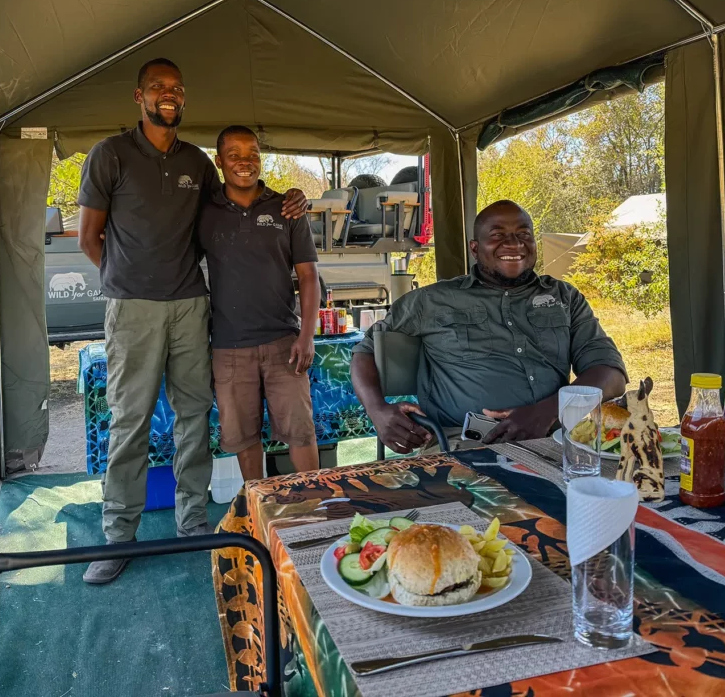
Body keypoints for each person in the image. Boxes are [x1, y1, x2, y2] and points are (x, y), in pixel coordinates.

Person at [77, 59, 307, 584]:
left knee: (192, 416)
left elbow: (236, 204)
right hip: (133, 307)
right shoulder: (109, 155)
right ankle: (118, 536)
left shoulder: (198, 164)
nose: (168, 95)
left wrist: (291, 198)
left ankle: (193, 525)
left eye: (176, 88)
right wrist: (128, 281)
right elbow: (89, 238)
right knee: (129, 422)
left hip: (190, 306)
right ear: (139, 96)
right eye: (158, 87)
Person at [350, 199, 627, 453]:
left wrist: (548, 411)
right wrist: (377, 410)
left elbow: (610, 375)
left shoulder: (564, 297)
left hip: (556, 440)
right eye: (498, 236)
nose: (514, 244)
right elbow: (365, 351)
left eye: (523, 234)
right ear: (475, 249)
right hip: (465, 444)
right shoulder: (432, 301)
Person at [199, 126, 321, 480]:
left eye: (252, 153)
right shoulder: (204, 212)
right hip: (229, 346)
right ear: (219, 161)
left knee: (300, 430)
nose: (245, 162)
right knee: (243, 438)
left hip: (285, 342)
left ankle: (314, 507)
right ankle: (258, 506)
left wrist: (306, 335)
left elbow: (309, 276)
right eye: (234, 154)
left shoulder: (286, 207)